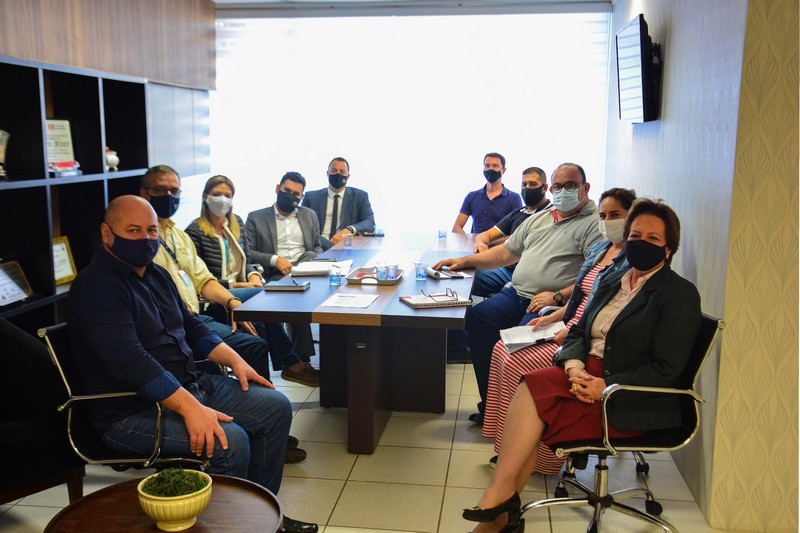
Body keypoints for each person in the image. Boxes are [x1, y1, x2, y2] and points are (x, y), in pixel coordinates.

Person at [66, 195, 318, 533]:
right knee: (230, 441)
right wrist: (191, 408)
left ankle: (260, 518)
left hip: (189, 386)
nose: (145, 239)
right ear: (107, 233)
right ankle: (227, 527)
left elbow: (191, 326)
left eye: (151, 231)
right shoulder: (96, 287)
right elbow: (131, 361)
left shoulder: (156, 275)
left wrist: (236, 361)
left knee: (275, 407)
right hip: (130, 410)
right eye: (133, 230)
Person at [462, 199, 701, 533]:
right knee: (531, 383)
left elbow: (667, 369)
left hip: (627, 396)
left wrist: (606, 386)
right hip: (585, 373)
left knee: (538, 411)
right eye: (635, 236)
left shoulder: (678, 294)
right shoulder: (614, 279)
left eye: (652, 239)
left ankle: (499, 509)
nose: (640, 243)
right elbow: (578, 330)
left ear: (669, 249)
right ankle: (501, 503)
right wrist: (573, 366)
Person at [139, 165, 308, 464]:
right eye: (160, 190)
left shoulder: (180, 234)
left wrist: (233, 301)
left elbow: (204, 279)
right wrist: (235, 293)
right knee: (256, 332)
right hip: (184, 320)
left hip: (195, 317)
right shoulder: (172, 237)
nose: (168, 196)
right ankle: (263, 423)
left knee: (256, 328)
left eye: (174, 191)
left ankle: (265, 422)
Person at [434, 163, 604, 425]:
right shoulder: (540, 218)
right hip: (517, 293)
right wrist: (464, 261)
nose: (563, 191)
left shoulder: (594, 224)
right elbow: (505, 253)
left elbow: (594, 274)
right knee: (478, 318)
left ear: (586, 188)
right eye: (558, 186)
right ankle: (491, 407)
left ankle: (517, 418)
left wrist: (558, 296)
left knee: (519, 347)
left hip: (549, 303)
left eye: (570, 185)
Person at [481, 188, 636, 475]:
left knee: (520, 363)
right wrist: (555, 315)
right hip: (569, 324)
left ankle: (540, 456)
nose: (607, 221)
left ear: (632, 217)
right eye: (603, 216)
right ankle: (508, 445)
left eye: (615, 215)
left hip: (587, 338)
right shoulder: (601, 250)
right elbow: (581, 295)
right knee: (502, 349)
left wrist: (573, 329)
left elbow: (608, 313)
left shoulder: (632, 261)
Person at [186, 175, 319, 387]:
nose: (222, 200)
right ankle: (291, 364)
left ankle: (265, 385)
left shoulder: (235, 223)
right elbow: (201, 280)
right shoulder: (194, 232)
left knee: (260, 325)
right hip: (216, 299)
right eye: (217, 194)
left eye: (227, 195)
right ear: (205, 197)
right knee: (263, 296)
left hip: (243, 292)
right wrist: (241, 286)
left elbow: (248, 260)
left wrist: (254, 276)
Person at [245, 171, 321, 362]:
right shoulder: (256, 217)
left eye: (296, 194)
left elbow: (317, 246)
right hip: (277, 273)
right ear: (277, 189)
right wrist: (275, 259)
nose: (290, 196)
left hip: (306, 268)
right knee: (297, 298)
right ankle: (302, 360)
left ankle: (317, 357)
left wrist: (317, 261)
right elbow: (248, 252)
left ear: (301, 196)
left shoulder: (309, 215)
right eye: (287, 190)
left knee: (312, 259)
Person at [471, 166, 552, 298]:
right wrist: (480, 243)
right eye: (524, 184)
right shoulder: (519, 213)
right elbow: (485, 235)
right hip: (505, 269)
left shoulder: (551, 215)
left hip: (525, 276)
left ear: (545, 187)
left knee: (469, 276)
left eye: (533, 184)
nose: (527, 188)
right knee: (464, 272)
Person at [302, 157, 375, 249]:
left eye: (342, 172)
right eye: (334, 171)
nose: (338, 174)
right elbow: (303, 226)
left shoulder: (360, 196)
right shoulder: (311, 197)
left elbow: (369, 222)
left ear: (348, 176)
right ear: (327, 173)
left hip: (345, 246)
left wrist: (350, 230)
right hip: (317, 247)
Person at [452, 152, 523, 235]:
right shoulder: (472, 196)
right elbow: (457, 227)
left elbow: (516, 234)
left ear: (503, 170)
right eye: (487, 166)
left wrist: (484, 240)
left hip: (501, 244)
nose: (490, 169)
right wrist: (469, 241)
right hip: (475, 243)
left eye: (495, 166)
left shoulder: (514, 198)